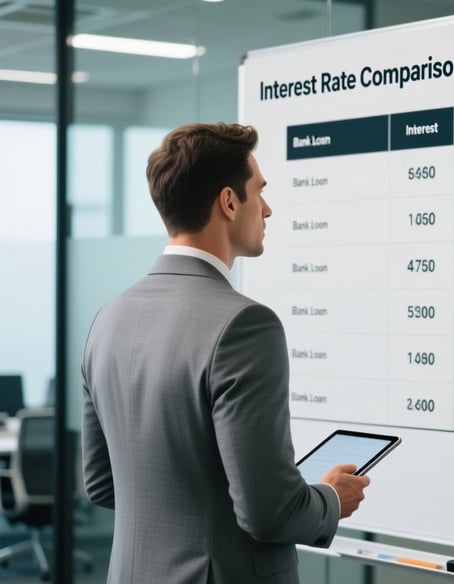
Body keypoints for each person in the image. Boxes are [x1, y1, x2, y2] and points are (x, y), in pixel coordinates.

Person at [81, 122, 370, 584]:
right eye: (260, 191)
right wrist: (330, 497)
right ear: (229, 202)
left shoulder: (108, 318)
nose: (269, 209)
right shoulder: (246, 326)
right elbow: (268, 513)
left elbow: (102, 482)